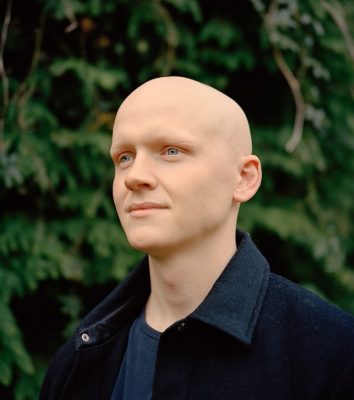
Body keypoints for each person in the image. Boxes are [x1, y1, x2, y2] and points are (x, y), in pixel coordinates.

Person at [40, 76, 354, 400]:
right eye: (124, 157)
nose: (134, 177)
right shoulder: (77, 364)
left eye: (171, 151)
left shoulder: (332, 357)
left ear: (244, 179)